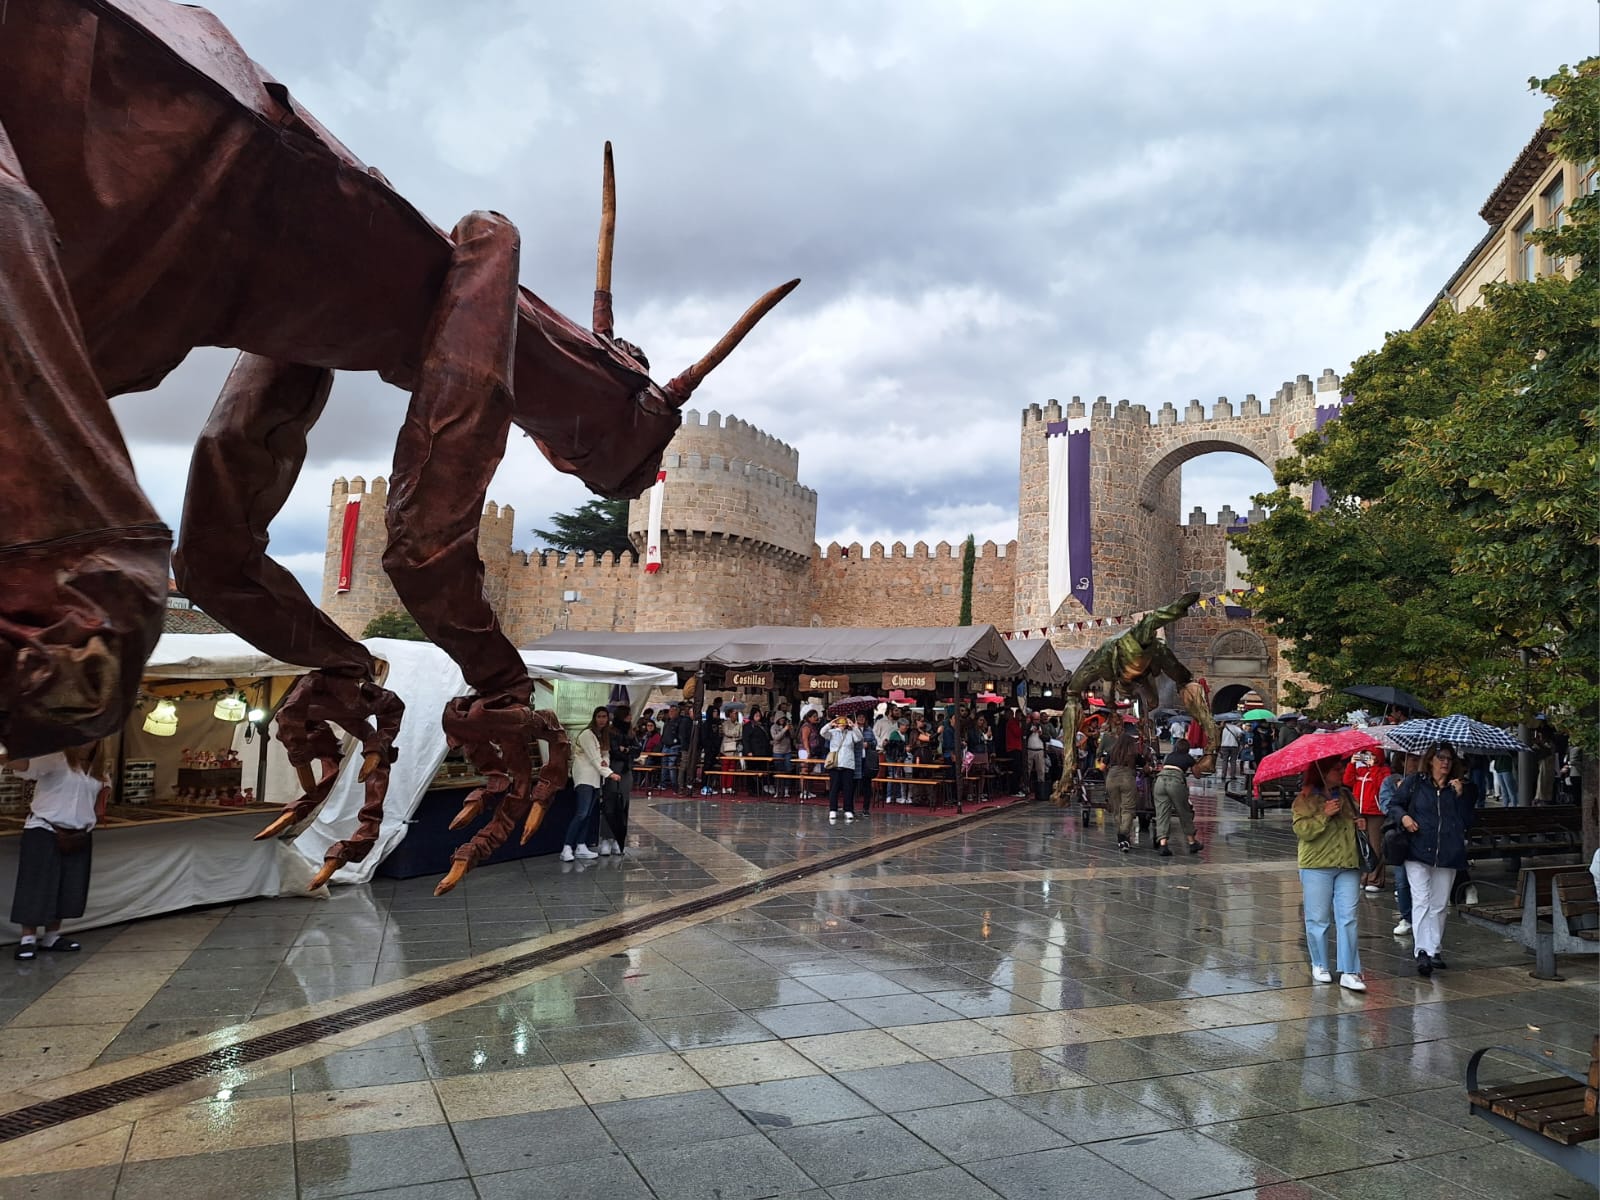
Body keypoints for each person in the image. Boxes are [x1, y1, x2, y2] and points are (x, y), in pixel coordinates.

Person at [7, 744, 102, 960]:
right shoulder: (55, 758)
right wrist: (7, 752)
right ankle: (28, 939)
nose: (87, 743)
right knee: (36, 885)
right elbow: (25, 766)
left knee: (67, 886)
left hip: (79, 833)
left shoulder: (99, 769)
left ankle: (52, 936)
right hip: (45, 829)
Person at [1389, 741, 1476, 976]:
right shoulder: (1415, 783)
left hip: (1448, 852)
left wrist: (1460, 796)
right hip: (1417, 848)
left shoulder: (1463, 788)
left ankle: (1434, 948)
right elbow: (1395, 804)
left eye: (1449, 759)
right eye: (1441, 758)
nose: (1445, 762)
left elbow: (1468, 820)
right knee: (1421, 899)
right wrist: (1404, 818)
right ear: (1430, 760)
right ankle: (1422, 951)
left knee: (1439, 904)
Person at [1290, 757, 1366, 992]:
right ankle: (1320, 963)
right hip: (1317, 865)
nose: (1342, 772)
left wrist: (1359, 823)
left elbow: (1353, 821)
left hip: (1348, 864)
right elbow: (1302, 830)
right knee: (1318, 918)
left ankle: (1350, 970)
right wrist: (1324, 814)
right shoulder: (1304, 799)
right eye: (1336, 769)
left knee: (1349, 917)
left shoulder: (1345, 795)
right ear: (1322, 772)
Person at [563, 707, 618, 862]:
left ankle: (581, 845)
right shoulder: (587, 734)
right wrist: (609, 773)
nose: (602, 719)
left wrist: (605, 764)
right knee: (581, 812)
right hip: (584, 777)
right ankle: (567, 847)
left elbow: (605, 755)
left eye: (604, 717)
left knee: (588, 814)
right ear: (594, 718)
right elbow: (594, 758)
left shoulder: (603, 735)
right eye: (599, 716)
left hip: (595, 778)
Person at [1377, 751, 1421, 936]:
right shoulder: (1391, 781)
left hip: (1421, 834)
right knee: (1402, 880)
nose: (1416, 763)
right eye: (1412, 759)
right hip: (1401, 836)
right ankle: (1406, 916)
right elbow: (1386, 806)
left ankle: (1421, 918)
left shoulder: (1425, 781)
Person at [1343, 750, 1391, 893]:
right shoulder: (1361, 769)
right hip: (1360, 811)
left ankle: (1374, 879)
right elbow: (1347, 781)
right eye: (1365, 754)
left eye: (1371, 754)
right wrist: (1351, 765)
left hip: (1376, 812)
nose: (1367, 757)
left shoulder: (1384, 771)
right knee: (1361, 845)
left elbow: (1381, 786)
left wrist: (1374, 768)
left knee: (1376, 846)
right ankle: (1363, 877)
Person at [1152, 740, 1203, 856]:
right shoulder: (1188, 757)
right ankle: (1192, 842)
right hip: (1175, 782)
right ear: (1187, 749)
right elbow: (1197, 774)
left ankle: (1163, 844)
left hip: (1160, 781)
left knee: (1162, 813)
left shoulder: (1169, 756)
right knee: (1184, 811)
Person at [1104, 719, 1143, 852]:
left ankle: (1123, 840)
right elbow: (1145, 765)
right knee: (1128, 809)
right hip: (1127, 778)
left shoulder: (1111, 751)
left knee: (1117, 809)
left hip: (1112, 777)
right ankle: (1123, 834)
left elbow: (1102, 766)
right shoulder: (1134, 753)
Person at [825, 716, 864, 823]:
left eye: (844, 722)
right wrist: (830, 724)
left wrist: (854, 727)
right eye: (840, 722)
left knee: (848, 788)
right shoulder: (833, 732)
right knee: (834, 788)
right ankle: (833, 809)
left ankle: (848, 809)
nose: (842, 724)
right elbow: (822, 733)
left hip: (848, 764)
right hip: (835, 763)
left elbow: (859, 738)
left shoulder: (851, 733)